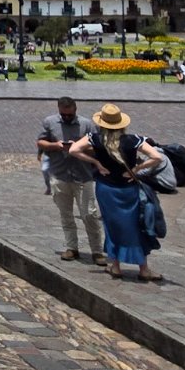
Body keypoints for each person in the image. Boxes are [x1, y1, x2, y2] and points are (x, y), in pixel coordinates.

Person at [67, 104, 167, 282]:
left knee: (112, 227)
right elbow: (158, 157)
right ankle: (143, 268)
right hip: (128, 189)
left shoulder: (95, 138)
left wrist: (96, 163)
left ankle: (116, 266)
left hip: (106, 189)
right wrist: (136, 168)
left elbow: (73, 150)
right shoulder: (133, 140)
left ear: (102, 124)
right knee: (136, 226)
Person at [37, 97, 106, 266]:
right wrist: (57, 146)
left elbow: (98, 147)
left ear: (75, 109)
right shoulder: (50, 122)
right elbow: (41, 142)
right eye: (63, 115)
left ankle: (97, 251)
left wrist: (77, 147)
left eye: (70, 114)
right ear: (59, 110)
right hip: (60, 174)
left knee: (89, 214)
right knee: (66, 214)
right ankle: (71, 247)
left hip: (83, 176)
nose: (67, 117)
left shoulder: (87, 125)